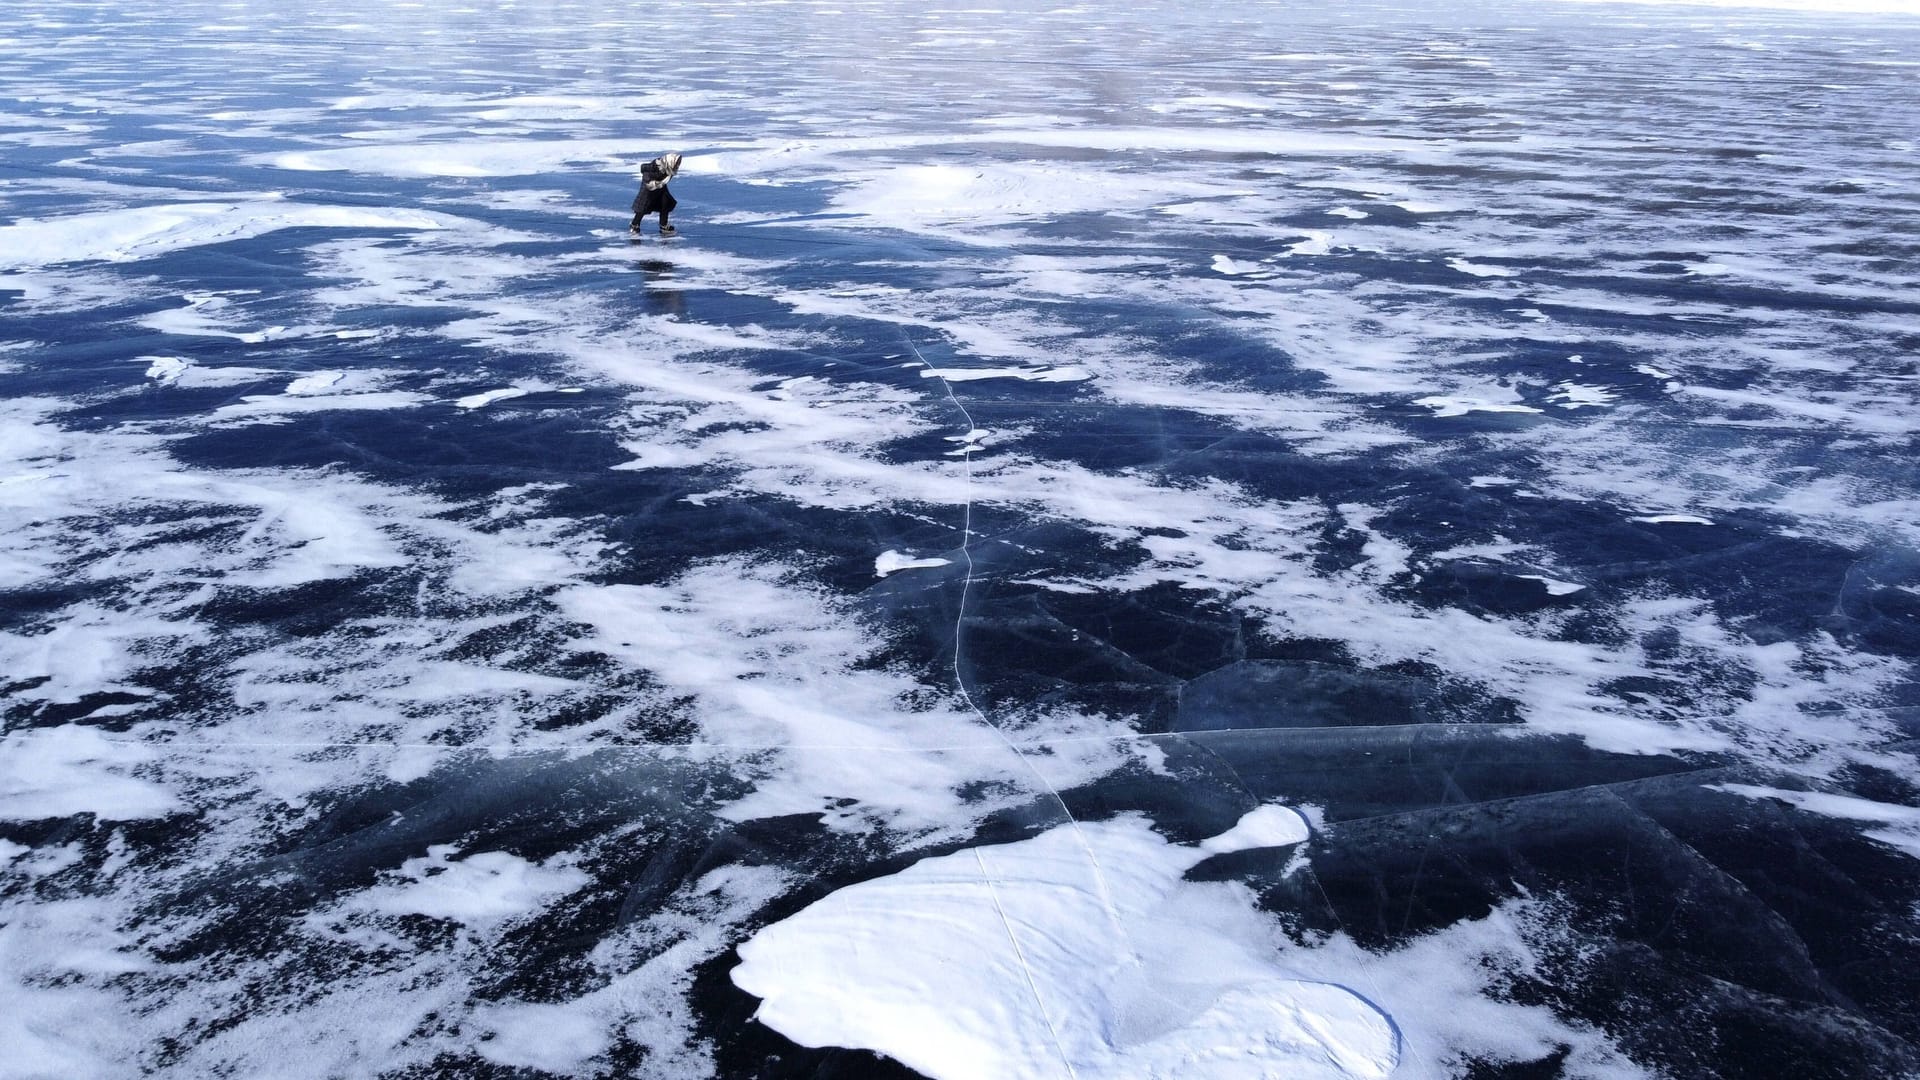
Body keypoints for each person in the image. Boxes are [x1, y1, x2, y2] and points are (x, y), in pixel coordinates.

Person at [629, 152, 683, 236]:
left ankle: (663, 225)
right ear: (671, 161)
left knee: (665, 204)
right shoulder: (657, 164)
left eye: (678, 163)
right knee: (643, 207)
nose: (677, 165)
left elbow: (666, 177)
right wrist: (652, 183)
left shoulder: (670, 168)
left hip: (661, 188)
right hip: (649, 188)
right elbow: (644, 170)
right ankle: (634, 225)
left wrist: (659, 184)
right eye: (677, 163)